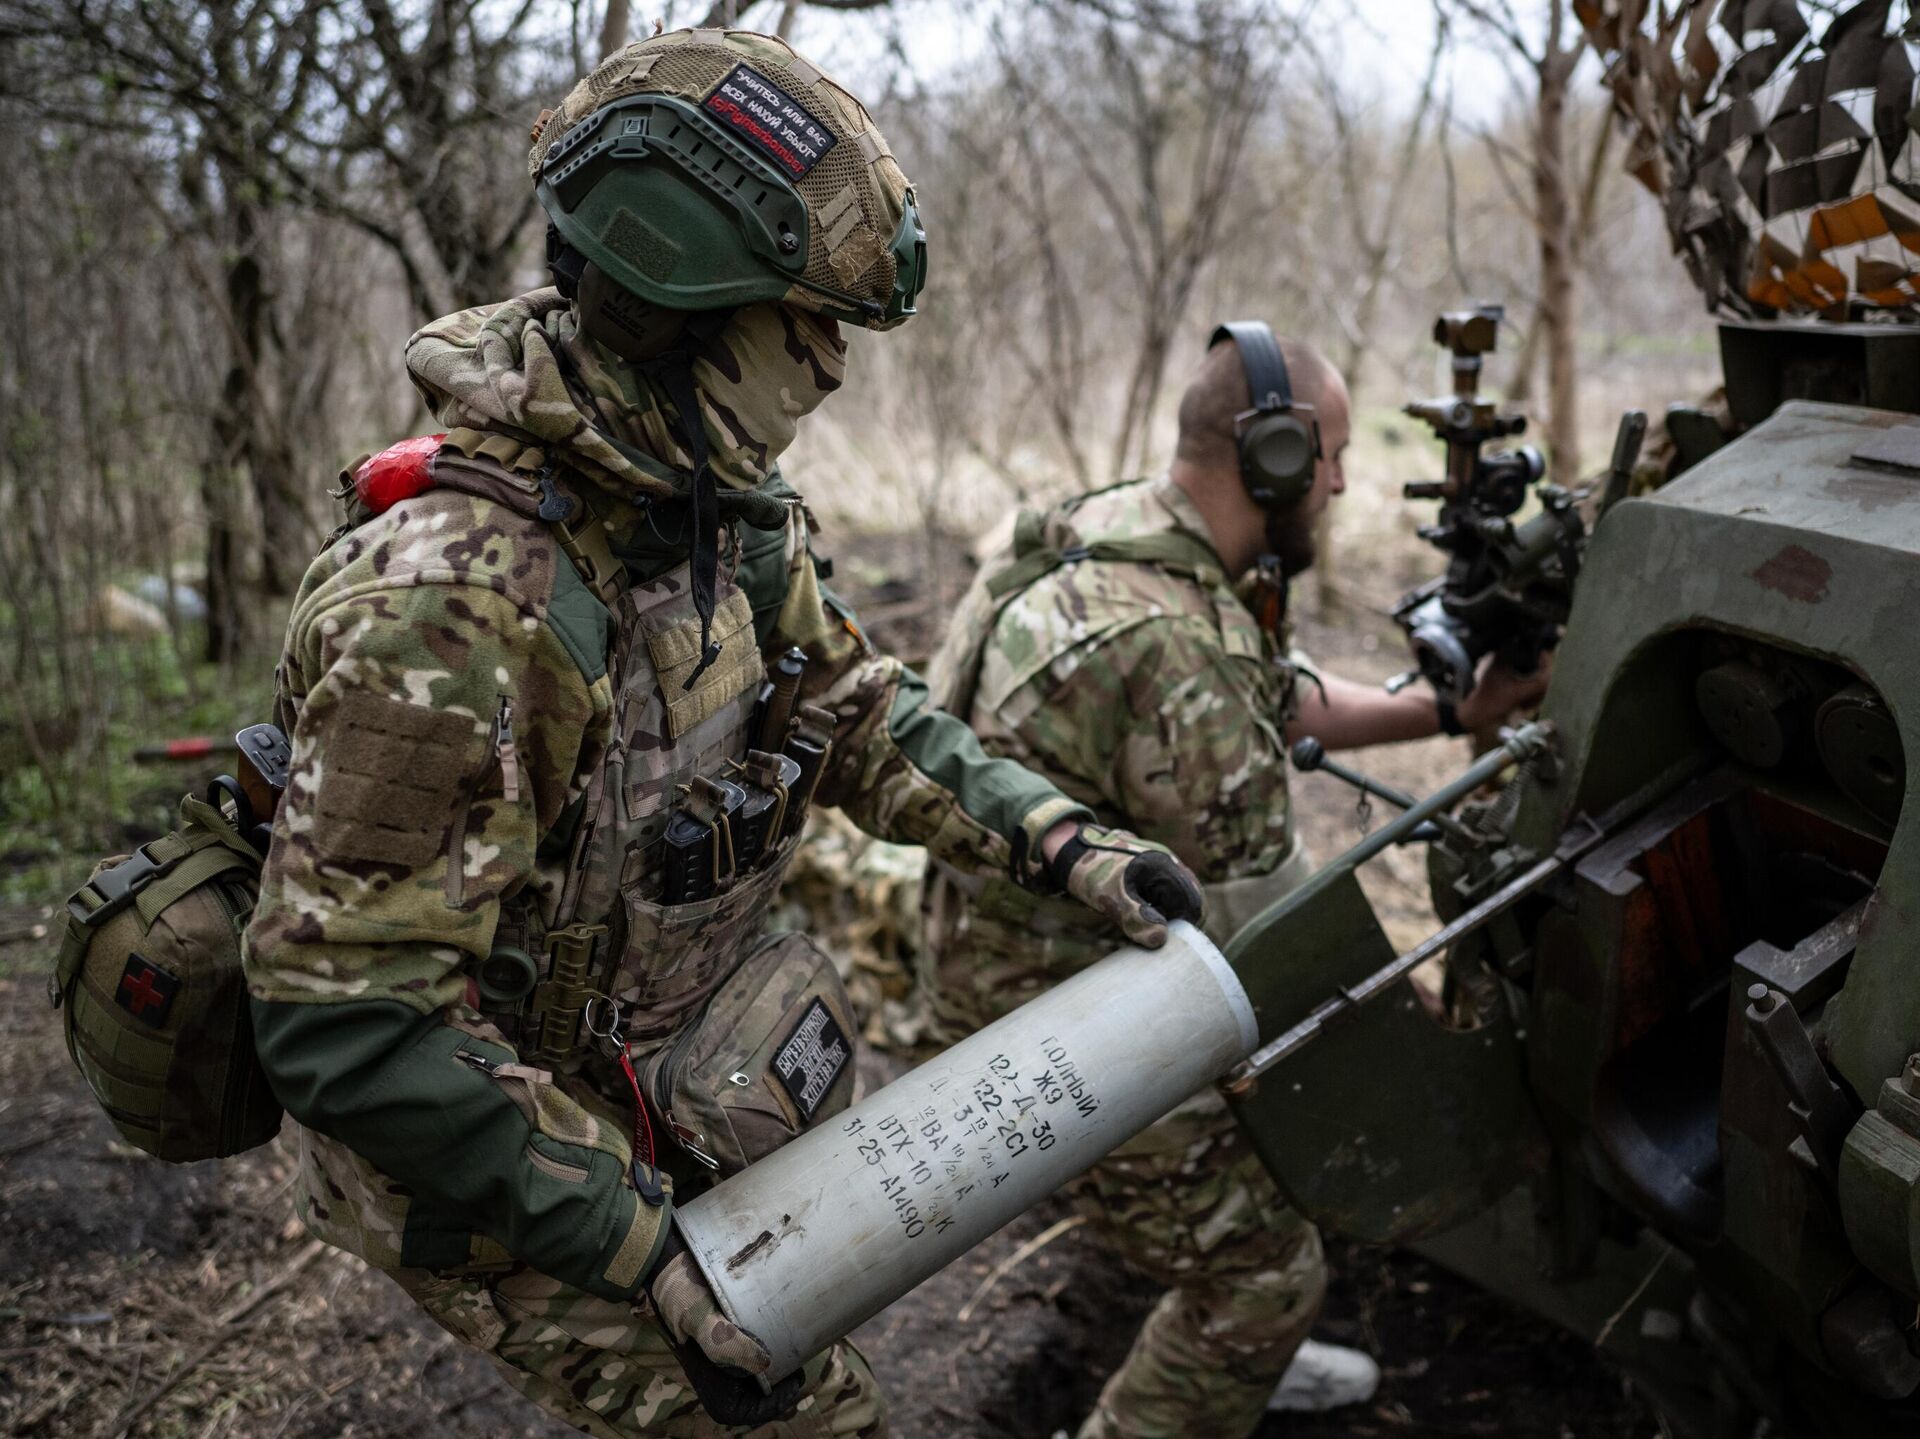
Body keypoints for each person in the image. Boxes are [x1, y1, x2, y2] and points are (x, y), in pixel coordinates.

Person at [241, 29, 1201, 1439]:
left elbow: (849, 705)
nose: (833, 367)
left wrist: (1060, 839)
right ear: (675, 305)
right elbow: (350, 1020)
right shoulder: (457, 606)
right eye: (806, 321)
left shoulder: (709, 503)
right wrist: (654, 1257)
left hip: (661, 1079)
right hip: (483, 1159)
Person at [921, 323, 1550, 1439]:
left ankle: (1230, 1355)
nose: (1343, 483)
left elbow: (1272, 689)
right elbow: (1276, 933)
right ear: (1276, 458)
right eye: (1334, 456)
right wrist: (1431, 1048)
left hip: (1003, 952)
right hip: (1041, 1033)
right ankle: (1230, 1340)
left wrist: (1452, 708)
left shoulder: (1119, 533)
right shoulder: (1179, 652)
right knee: (1270, 1273)